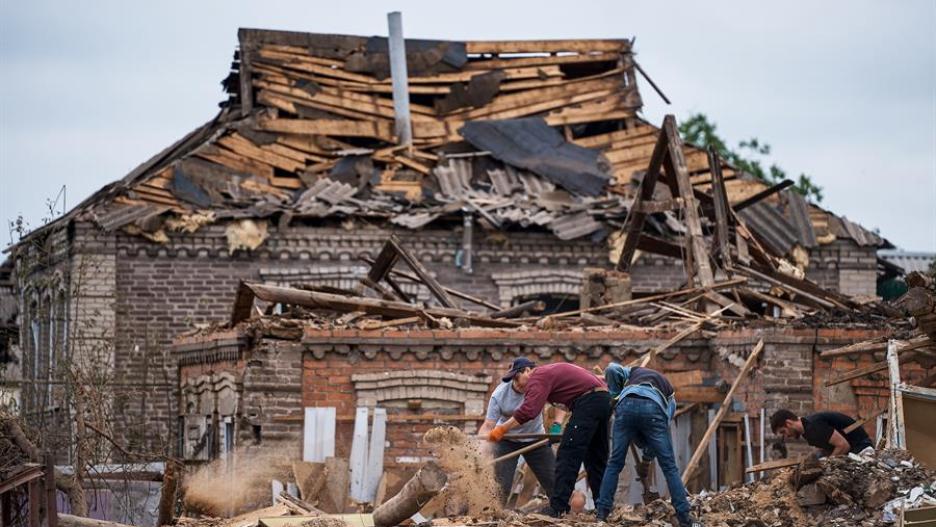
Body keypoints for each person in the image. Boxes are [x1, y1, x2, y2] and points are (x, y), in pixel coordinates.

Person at [486, 361, 611, 517]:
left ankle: (557, 508)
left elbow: (529, 410)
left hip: (588, 402)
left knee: (568, 454)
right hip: (603, 399)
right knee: (595, 458)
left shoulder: (537, 376)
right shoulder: (548, 375)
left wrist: (502, 428)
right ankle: (603, 508)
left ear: (527, 371)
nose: (516, 383)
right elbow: (566, 397)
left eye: (516, 378)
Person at [596, 363, 701, 527]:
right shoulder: (670, 396)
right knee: (669, 467)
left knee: (615, 463)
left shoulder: (632, 372)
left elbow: (611, 368)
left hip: (626, 407)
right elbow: (662, 426)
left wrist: (615, 396)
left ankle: (601, 515)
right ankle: (685, 519)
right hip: (654, 409)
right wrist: (647, 458)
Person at [478, 357, 565, 504]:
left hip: (535, 438)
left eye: (523, 385)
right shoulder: (499, 395)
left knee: (553, 480)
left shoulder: (539, 387)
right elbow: (488, 425)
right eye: (516, 384)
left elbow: (561, 403)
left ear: (530, 373)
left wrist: (557, 424)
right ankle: (496, 516)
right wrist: (481, 450)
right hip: (506, 440)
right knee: (502, 486)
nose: (520, 388)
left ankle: (560, 511)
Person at [770, 409, 874, 457]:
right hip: (854, 450)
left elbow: (843, 446)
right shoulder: (807, 430)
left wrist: (827, 464)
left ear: (788, 423)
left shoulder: (813, 426)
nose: (786, 436)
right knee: (818, 457)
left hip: (861, 449)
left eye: (783, 432)